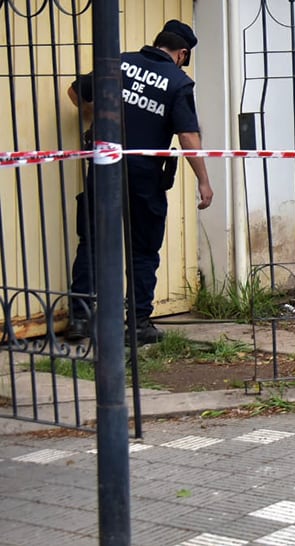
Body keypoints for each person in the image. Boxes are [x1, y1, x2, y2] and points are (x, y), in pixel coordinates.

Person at [66, 20, 214, 345]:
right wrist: (204, 180)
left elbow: (76, 93)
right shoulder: (178, 82)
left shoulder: (118, 63)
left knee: (91, 241)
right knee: (143, 250)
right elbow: (187, 134)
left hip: (104, 167)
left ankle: (80, 319)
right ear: (182, 54)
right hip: (145, 177)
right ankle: (138, 323)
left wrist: (100, 113)